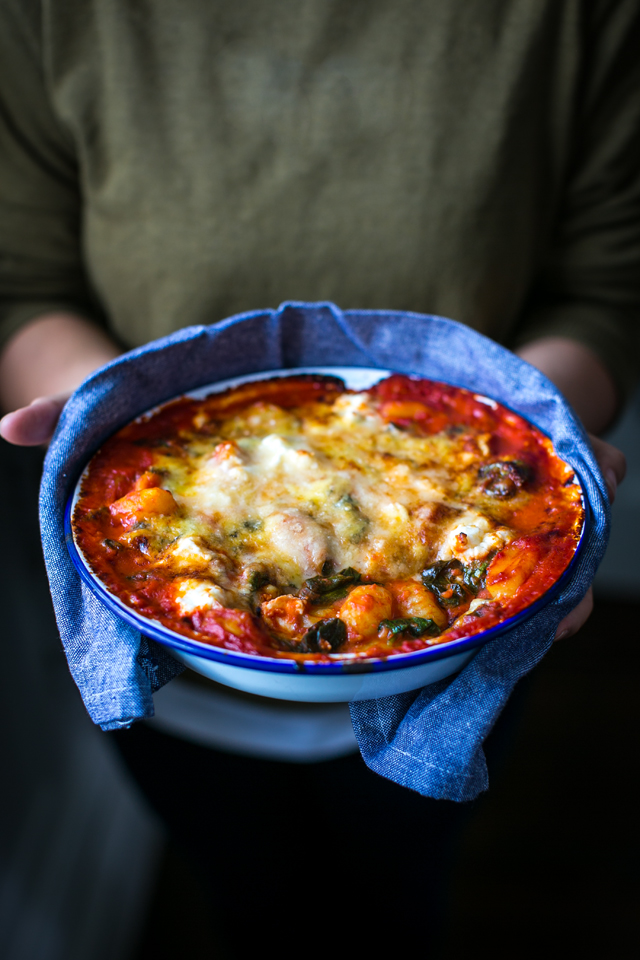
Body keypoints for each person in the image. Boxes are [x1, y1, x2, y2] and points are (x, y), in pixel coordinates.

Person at [0, 0, 635, 951]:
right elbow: (21, 279)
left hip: (457, 659)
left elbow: (607, 284)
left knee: (404, 898)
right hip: (163, 658)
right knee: (251, 908)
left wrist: (554, 437)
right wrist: (104, 412)